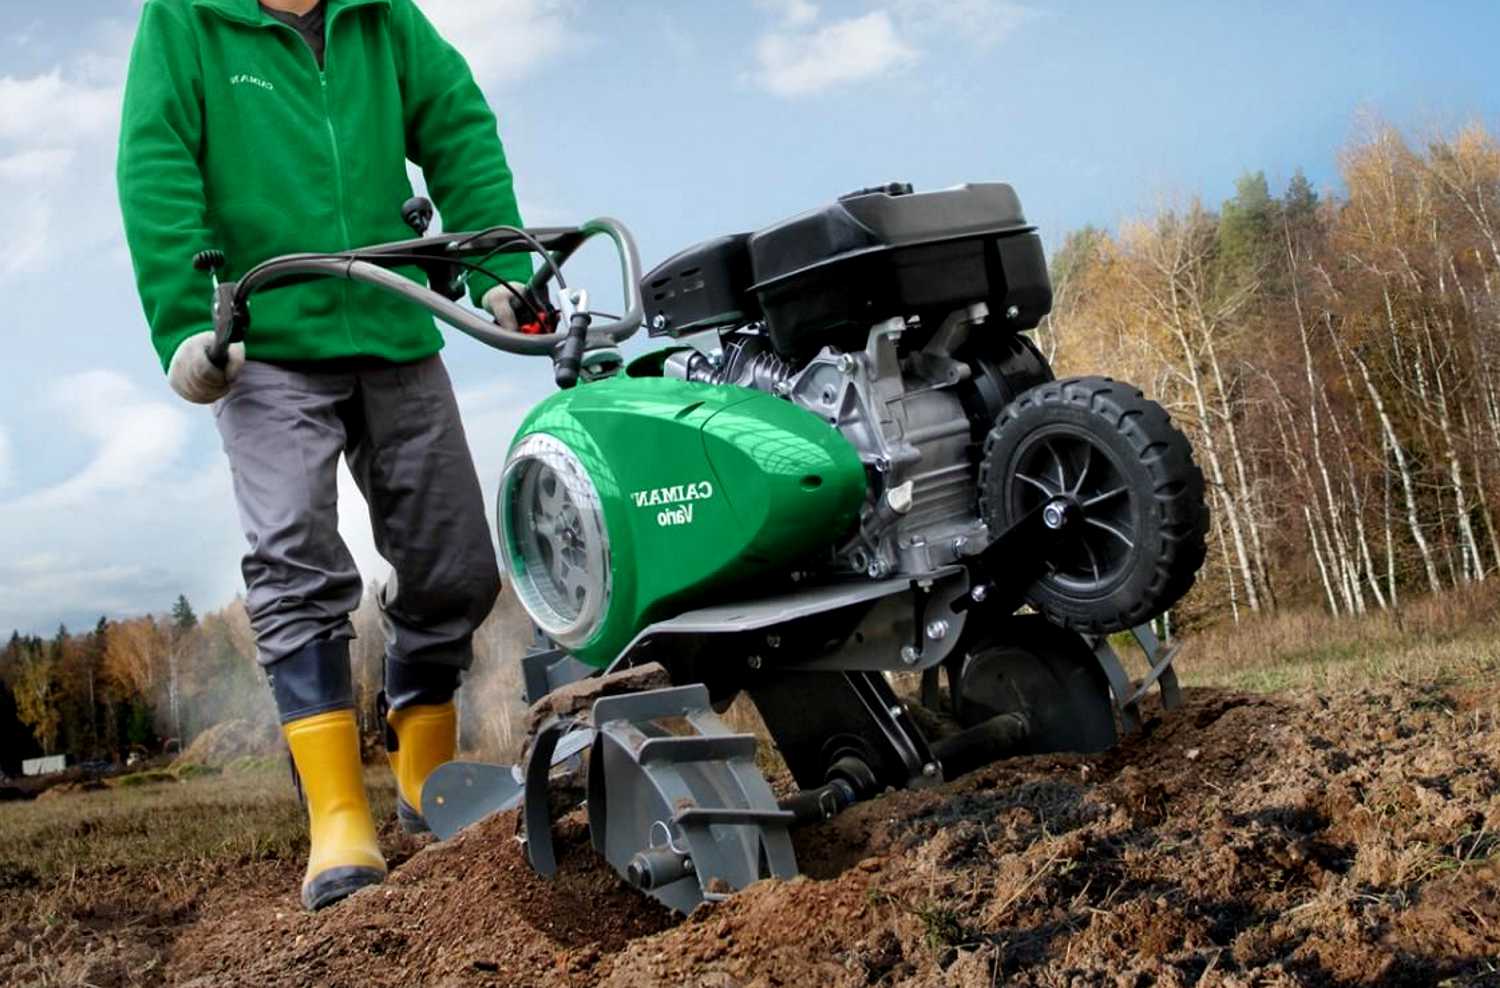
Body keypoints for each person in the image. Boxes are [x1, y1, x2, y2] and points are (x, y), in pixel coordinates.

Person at [117, 0, 533, 911]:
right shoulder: (185, 21)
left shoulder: (382, 18)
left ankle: (426, 777)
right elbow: (155, 164)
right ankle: (339, 813)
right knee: (295, 556)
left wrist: (499, 260)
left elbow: (457, 121)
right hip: (265, 342)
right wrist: (187, 321)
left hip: (391, 319)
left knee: (456, 562)